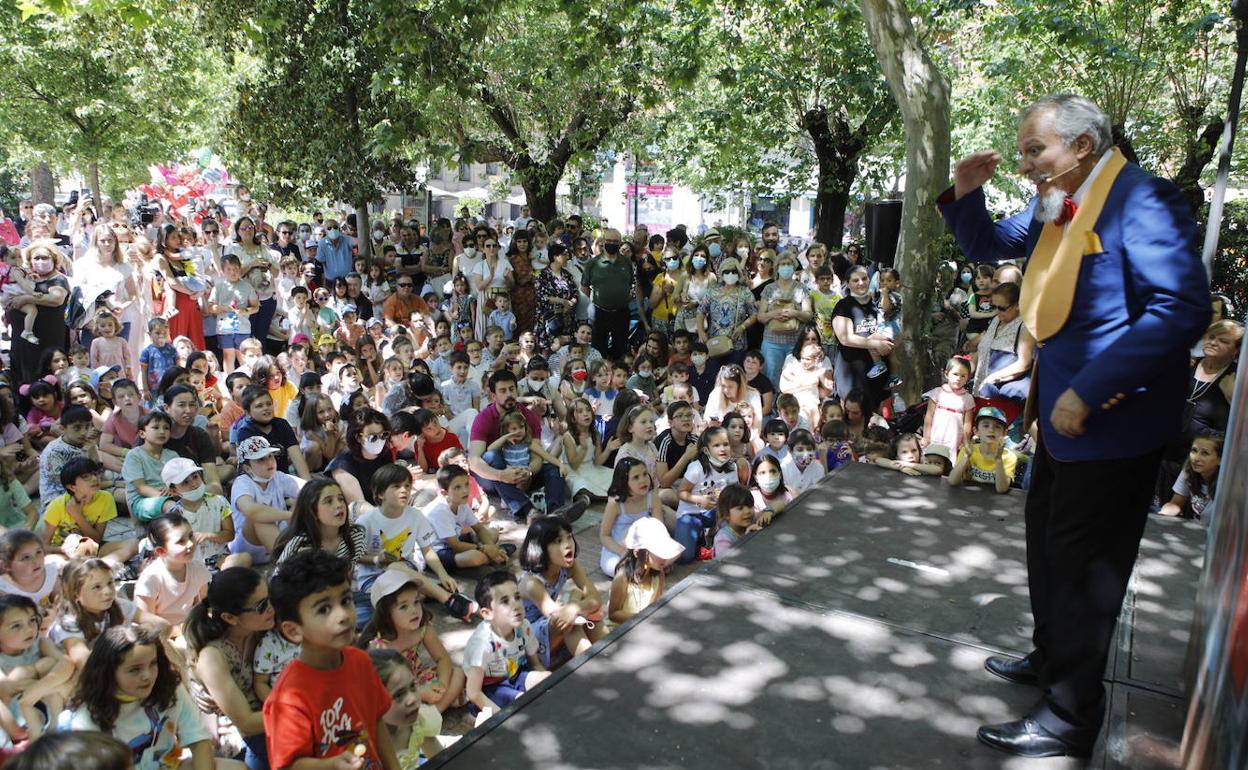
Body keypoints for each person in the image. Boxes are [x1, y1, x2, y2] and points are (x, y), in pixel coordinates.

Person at [940, 94, 1211, 757]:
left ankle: (1070, 714)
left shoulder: (1141, 199)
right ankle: (1051, 657)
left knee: (1087, 570)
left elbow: (1182, 306)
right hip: (1060, 415)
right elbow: (991, 245)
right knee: (1050, 551)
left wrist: (1093, 388)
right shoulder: (1059, 200)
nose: (1027, 162)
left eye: (1036, 149)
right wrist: (967, 194)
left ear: (1083, 146)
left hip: (1111, 420)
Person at [264, 549, 401, 770]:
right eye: (324, 609)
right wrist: (330, 766)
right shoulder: (289, 697)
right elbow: (289, 766)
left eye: (346, 600)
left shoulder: (361, 661)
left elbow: (376, 722)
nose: (343, 615)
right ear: (293, 631)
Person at [62, 624, 223, 770]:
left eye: (153, 664)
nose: (147, 675)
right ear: (108, 672)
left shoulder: (169, 687)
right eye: (134, 669)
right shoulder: (88, 716)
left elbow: (198, 739)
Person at [468, 370, 586, 525]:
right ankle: (529, 511)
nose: (509, 394)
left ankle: (555, 513)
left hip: (523, 470)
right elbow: (475, 461)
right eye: (503, 391)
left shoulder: (528, 417)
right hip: (492, 475)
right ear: (493, 395)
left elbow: (537, 455)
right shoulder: (483, 418)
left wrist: (528, 472)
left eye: (512, 389)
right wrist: (501, 475)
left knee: (553, 468)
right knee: (491, 456)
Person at [183, 567, 272, 770]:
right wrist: (305, 710)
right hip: (233, 731)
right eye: (261, 606)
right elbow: (247, 722)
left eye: (270, 598)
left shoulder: (259, 630)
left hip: (266, 713)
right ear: (230, 618)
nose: (271, 608)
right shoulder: (212, 656)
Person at [362, 570, 468, 715]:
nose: (414, 610)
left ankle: (433, 713)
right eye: (403, 606)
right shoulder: (378, 646)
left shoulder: (422, 628)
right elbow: (380, 690)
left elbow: (442, 658)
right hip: (395, 691)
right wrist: (420, 693)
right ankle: (427, 713)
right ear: (386, 614)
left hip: (419, 678)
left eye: (416, 601)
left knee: (458, 674)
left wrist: (441, 684)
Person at [517, 517, 605, 669]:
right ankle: (594, 667)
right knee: (570, 623)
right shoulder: (531, 583)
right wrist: (574, 603)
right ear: (541, 549)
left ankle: (608, 652)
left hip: (547, 626)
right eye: (558, 541)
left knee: (586, 609)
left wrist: (576, 606)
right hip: (525, 638)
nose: (568, 544)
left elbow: (595, 598)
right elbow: (559, 617)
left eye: (569, 537)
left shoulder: (569, 567)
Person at [462, 570, 550, 718]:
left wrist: (545, 682)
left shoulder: (524, 626)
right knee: (522, 704)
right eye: (504, 601)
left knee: (547, 678)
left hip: (516, 675)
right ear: (487, 613)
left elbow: (535, 664)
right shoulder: (483, 644)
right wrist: (500, 717)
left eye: (517, 597)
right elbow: (473, 692)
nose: (516, 605)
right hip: (490, 688)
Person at [673, 426, 748, 564]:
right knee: (685, 558)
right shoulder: (697, 467)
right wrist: (699, 500)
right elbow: (681, 492)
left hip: (717, 513)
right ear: (706, 450)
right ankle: (699, 538)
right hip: (691, 514)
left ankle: (713, 540)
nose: (722, 449)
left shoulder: (732, 467)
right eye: (717, 445)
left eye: (726, 444)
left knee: (736, 538)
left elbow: (732, 494)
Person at [605, 517, 683, 626]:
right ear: (638, 553)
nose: (664, 558)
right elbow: (613, 614)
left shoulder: (658, 574)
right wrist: (644, 618)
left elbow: (655, 604)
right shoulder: (622, 577)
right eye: (659, 552)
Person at [581, 228, 644, 361]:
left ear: (620, 243)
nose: (611, 243)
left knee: (620, 350)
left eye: (615, 241)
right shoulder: (593, 263)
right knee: (598, 350)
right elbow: (584, 287)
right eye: (608, 240)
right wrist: (597, 300)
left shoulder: (626, 262)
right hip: (599, 313)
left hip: (621, 313)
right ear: (603, 242)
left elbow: (629, 284)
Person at [599, 457, 664, 577]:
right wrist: (622, 551)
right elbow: (604, 536)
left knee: (672, 556)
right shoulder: (615, 503)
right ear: (624, 482)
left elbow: (659, 529)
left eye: (645, 474)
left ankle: (647, 569)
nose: (643, 480)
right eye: (636, 477)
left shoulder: (652, 498)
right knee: (617, 568)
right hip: (619, 547)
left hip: (645, 546)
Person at [1158, 432, 1222, 521]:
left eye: (1205, 453)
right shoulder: (1189, 470)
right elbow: (1176, 503)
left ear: (1220, 460)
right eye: (1194, 450)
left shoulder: (1227, 482)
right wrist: (1162, 515)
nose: (1196, 458)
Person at [923, 357, 978, 455]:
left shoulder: (968, 398)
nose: (958, 379)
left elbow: (967, 423)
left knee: (949, 460)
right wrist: (926, 436)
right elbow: (929, 415)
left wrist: (965, 441)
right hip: (936, 434)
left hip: (954, 437)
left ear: (968, 378)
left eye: (963, 376)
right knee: (932, 456)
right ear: (946, 373)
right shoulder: (937, 392)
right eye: (955, 374)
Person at [713, 483, 762, 558]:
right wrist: (747, 539)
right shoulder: (723, 538)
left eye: (750, 506)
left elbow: (779, 504)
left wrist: (769, 512)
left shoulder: (752, 519)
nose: (747, 511)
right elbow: (727, 564)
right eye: (740, 508)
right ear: (726, 514)